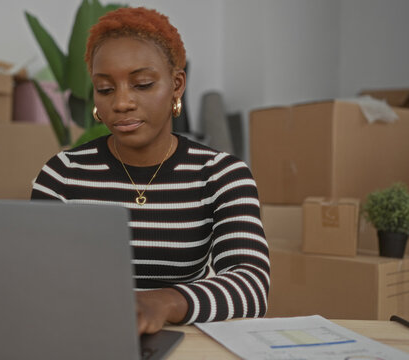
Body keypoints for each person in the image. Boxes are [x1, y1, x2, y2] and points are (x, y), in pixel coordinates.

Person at [31, 7, 269, 335]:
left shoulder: (221, 174)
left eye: (142, 84)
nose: (122, 102)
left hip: (177, 341)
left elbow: (251, 285)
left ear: (176, 85)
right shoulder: (63, 175)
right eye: (105, 88)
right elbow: (37, 278)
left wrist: (165, 303)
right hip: (84, 337)